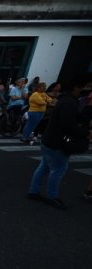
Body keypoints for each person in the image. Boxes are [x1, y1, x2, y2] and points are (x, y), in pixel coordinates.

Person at [27, 77, 92, 209]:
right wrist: (85, 133)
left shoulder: (65, 99)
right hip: (57, 141)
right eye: (88, 86)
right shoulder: (69, 102)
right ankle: (52, 196)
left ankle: (33, 191)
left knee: (44, 166)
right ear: (76, 87)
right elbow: (68, 125)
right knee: (58, 169)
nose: (89, 89)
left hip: (49, 138)